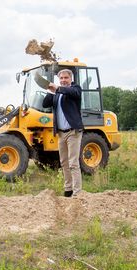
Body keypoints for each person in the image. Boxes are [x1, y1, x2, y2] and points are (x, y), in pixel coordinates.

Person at [42, 69, 83, 197]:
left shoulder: (75, 89)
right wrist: (50, 90)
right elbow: (45, 104)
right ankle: (68, 189)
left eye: (66, 78)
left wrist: (57, 88)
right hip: (61, 133)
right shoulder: (57, 93)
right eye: (61, 78)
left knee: (73, 163)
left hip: (73, 132)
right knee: (64, 162)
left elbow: (73, 92)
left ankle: (77, 193)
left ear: (70, 79)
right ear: (58, 79)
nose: (63, 80)